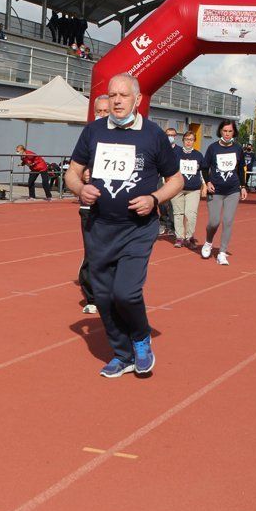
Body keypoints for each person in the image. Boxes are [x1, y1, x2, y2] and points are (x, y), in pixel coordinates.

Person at [63, 73, 182, 379]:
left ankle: (141, 339)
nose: (116, 100)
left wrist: (155, 199)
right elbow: (71, 173)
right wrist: (79, 189)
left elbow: (177, 180)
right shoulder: (93, 132)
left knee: (126, 293)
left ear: (138, 100)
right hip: (99, 227)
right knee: (102, 297)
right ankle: (122, 353)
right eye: (112, 95)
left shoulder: (153, 135)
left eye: (123, 95)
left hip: (137, 228)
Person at [77, 94, 110, 316]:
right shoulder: (89, 135)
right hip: (90, 206)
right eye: (98, 111)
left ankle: (110, 293)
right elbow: (73, 169)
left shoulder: (126, 137)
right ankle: (91, 296)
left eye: (105, 111)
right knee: (92, 252)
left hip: (116, 206)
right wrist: (82, 178)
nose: (101, 115)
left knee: (112, 253)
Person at [201, 120, 248, 265]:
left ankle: (222, 252)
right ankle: (208, 242)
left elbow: (241, 169)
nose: (227, 134)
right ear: (220, 132)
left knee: (228, 221)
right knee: (214, 221)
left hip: (232, 190)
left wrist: (243, 186)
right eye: (225, 131)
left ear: (234, 132)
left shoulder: (238, 148)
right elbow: (204, 167)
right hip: (215, 190)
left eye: (230, 131)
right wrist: (207, 182)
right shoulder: (212, 148)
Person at [171, 130, 206, 248]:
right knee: (178, 213)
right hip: (177, 189)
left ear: (194, 141)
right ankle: (179, 237)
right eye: (186, 139)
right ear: (183, 140)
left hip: (193, 189)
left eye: (191, 140)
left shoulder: (198, 155)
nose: (188, 142)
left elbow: (202, 172)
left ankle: (189, 237)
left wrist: (204, 185)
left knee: (191, 214)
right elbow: (169, 169)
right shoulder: (176, 154)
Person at [158, 127, 178, 236]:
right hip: (161, 178)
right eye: (168, 135)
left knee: (172, 203)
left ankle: (172, 225)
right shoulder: (160, 148)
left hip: (174, 179)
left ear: (175, 137)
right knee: (161, 202)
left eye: (172, 135)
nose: (170, 137)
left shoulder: (179, 150)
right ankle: (162, 222)